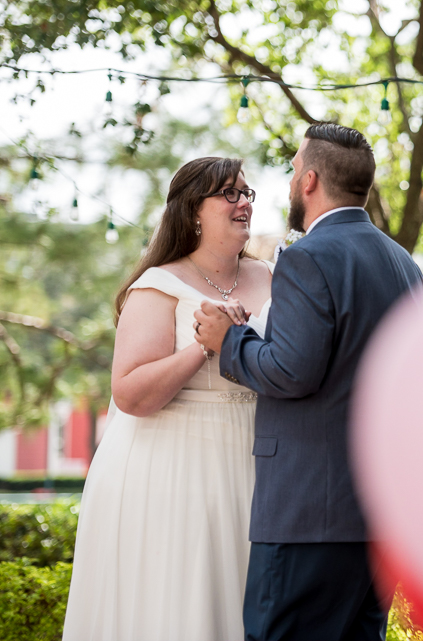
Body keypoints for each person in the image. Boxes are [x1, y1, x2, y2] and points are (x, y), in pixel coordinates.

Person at [194, 122, 423, 641]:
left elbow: (290, 370)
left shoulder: (306, 258)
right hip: (376, 518)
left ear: (310, 180)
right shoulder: (406, 266)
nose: (291, 179)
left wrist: (226, 341)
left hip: (306, 515)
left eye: (294, 168)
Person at [62, 157, 273, 641]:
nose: (243, 203)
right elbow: (131, 394)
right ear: (194, 211)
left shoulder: (271, 276)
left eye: (247, 193)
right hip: (174, 469)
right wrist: (204, 345)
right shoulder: (158, 285)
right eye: (229, 194)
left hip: (256, 463)